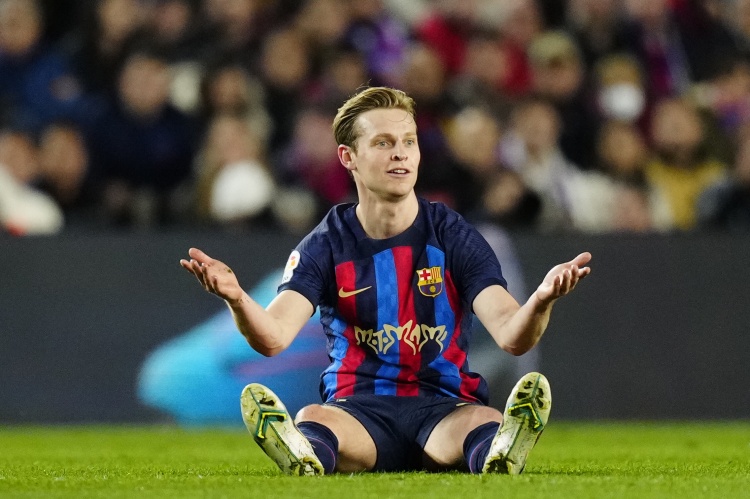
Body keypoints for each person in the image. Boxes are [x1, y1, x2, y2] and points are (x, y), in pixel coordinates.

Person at [180, 86, 591, 476]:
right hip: (358, 412)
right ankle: (304, 452)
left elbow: (510, 334)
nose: (400, 153)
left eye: (408, 141)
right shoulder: (326, 244)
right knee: (315, 417)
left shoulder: (454, 236)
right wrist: (236, 298)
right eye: (383, 142)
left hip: (444, 408)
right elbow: (273, 337)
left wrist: (540, 300)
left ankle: (498, 452)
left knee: (482, 420)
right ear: (349, 157)